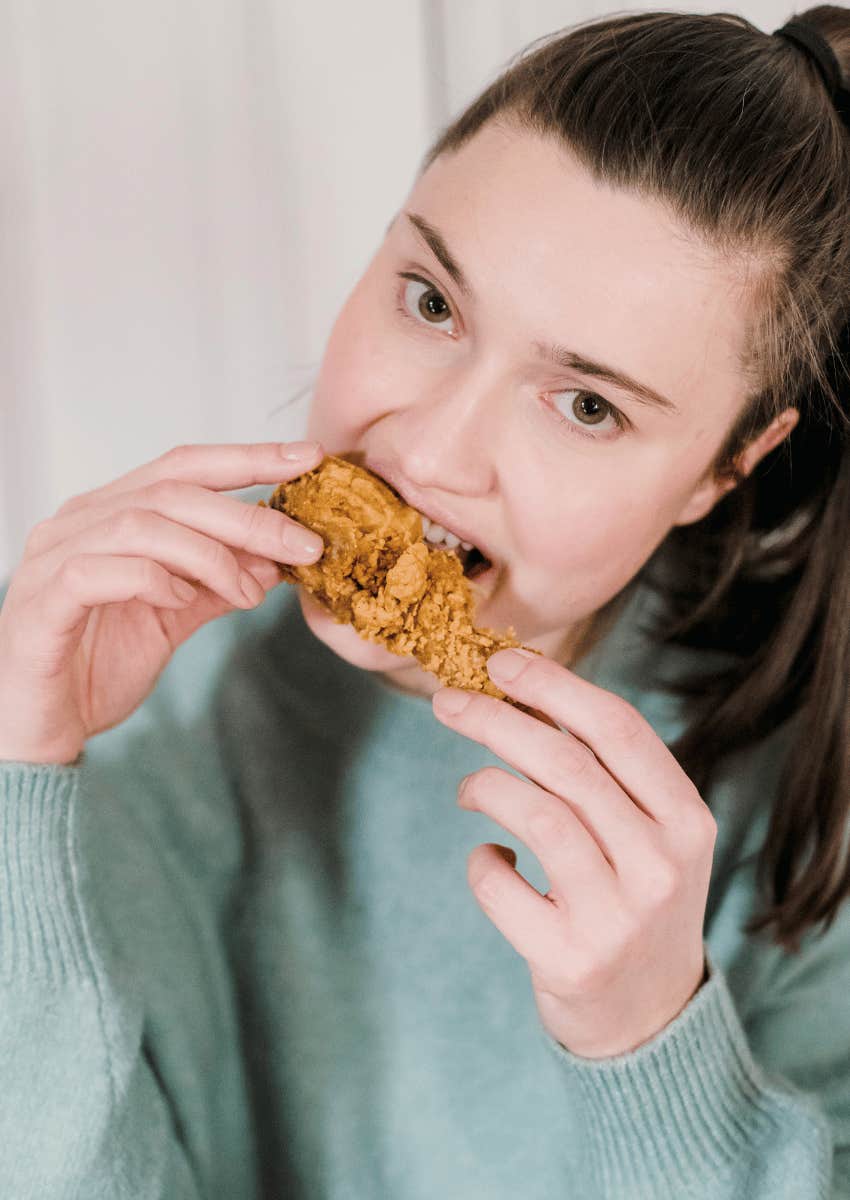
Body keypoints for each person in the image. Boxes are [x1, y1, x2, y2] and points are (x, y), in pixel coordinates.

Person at [0, 7, 848, 1197]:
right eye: (432, 303)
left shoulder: (808, 814)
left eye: (588, 406)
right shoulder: (85, 667)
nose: (433, 451)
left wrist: (645, 1040)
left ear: (728, 465)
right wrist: (16, 787)